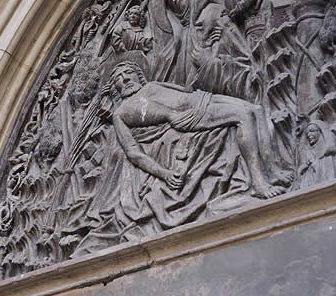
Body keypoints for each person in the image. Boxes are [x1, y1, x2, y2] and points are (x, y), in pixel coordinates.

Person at [110, 61, 285, 198]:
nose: (125, 78)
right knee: (243, 115)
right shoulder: (120, 113)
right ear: (114, 87)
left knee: (257, 110)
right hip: (189, 116)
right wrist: (164, 174)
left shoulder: (152, 85)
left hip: (201, 98)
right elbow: (133, 153)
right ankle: (259, 183)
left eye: (128, 72)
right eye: (118, 77)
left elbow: (187, 90)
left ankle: (273, 170)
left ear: (138, 75)